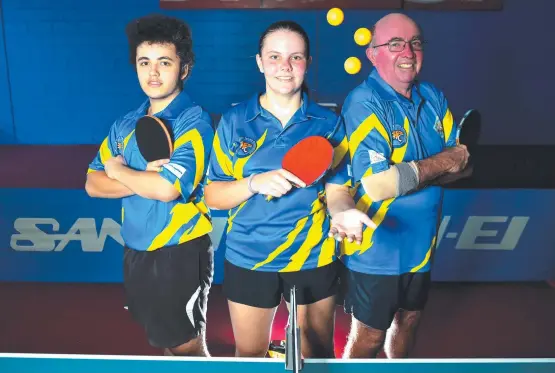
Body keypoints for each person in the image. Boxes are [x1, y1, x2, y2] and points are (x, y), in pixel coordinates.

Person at [204, 20, 374, 358]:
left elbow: (338, 190)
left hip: (312, 255)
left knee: (317, 350)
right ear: (259, 62)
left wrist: (344, 211)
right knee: (250, 356)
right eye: (275, 56)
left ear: (308, 63)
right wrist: (254, 183)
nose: (285, 67)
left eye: (295, 57)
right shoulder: (234, 121)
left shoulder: (329, 124)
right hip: (250, 257)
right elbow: (213, 195)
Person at [339, 13, 471, 359]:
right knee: (368, 336)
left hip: (422, 244)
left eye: (414, 43)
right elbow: (379, 186)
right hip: (376, 249)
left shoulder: (433, 97)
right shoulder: (364, 102)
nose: (407, 52)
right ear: (373, 53)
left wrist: (412, 173)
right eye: (395, 44)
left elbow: (463, 166)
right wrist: (442, 162)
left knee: (409, 321)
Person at [85, 14, 214, 357]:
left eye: (164, 62)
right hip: (136, 249)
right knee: (160, 339)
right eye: (144, 62)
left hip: (180, 251)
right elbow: (92, 184)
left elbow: (168, 190)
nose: (153, 73)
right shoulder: (125, 123)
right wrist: (141, 179)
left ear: (184, 69)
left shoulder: (194, 121)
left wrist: (117, 169)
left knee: (186, 345)